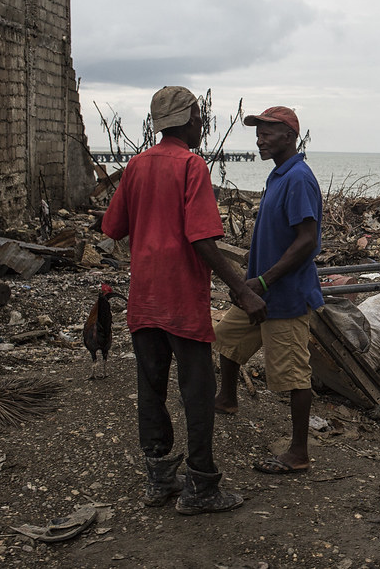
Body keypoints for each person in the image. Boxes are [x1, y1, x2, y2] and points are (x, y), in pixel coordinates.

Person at [100, 86, 266, 514]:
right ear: (188, 119)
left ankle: (159, 479)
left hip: (144, 299)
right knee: (197, 389)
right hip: (180, 299)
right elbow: (203, 239)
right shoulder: (192, 165)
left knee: (151, 387)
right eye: (199, 116)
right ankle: (201, 487)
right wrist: (242, 287)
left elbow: (112, 227)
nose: (202, 124)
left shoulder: (136, 165)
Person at [213, 106, 323, 475]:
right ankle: (227, 398)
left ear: (290, 136)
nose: (259, 139)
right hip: (258, 290)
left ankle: (298, 452)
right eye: (257, 133)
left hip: (285, 295)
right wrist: (252, 283)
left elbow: (307, 240)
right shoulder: (279, 175)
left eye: (267, 133)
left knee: (292, 375)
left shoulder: (298, 178)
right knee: (227, 337)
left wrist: (264, 280)